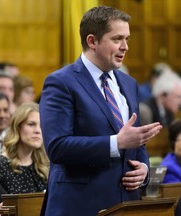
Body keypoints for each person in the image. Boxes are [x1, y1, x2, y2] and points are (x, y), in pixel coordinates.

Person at [39, 6, 162, 216]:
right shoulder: (61, 82)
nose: (125, 47)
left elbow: (135, 140)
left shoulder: (128, 83)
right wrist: (116, 143)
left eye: (127, 39)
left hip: (126, 204)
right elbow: (57, 147)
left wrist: (144, 169)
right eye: (117, 39)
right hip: (80, 205)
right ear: (92, 41)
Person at [0, 102, 49, 194]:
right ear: (17, 127)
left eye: (41, 125)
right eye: (31, 124)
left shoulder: (44, 164)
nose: (37, 130)